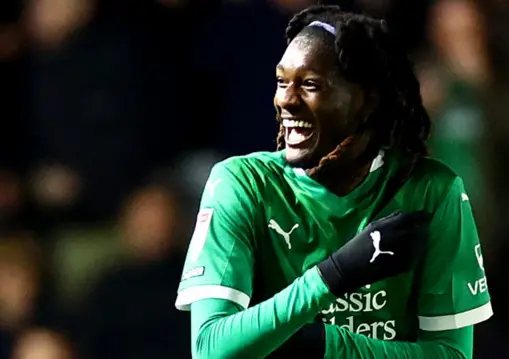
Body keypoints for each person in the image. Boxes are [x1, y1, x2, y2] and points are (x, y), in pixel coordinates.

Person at [175, 5, 492, 359]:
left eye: (310, 85)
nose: (286, 101)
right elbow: (210, 349)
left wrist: (329, 345)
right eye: (282, 82)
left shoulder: (432, 191)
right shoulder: (242, 184)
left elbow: (453, 354)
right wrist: (332, 276)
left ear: (366, 102)